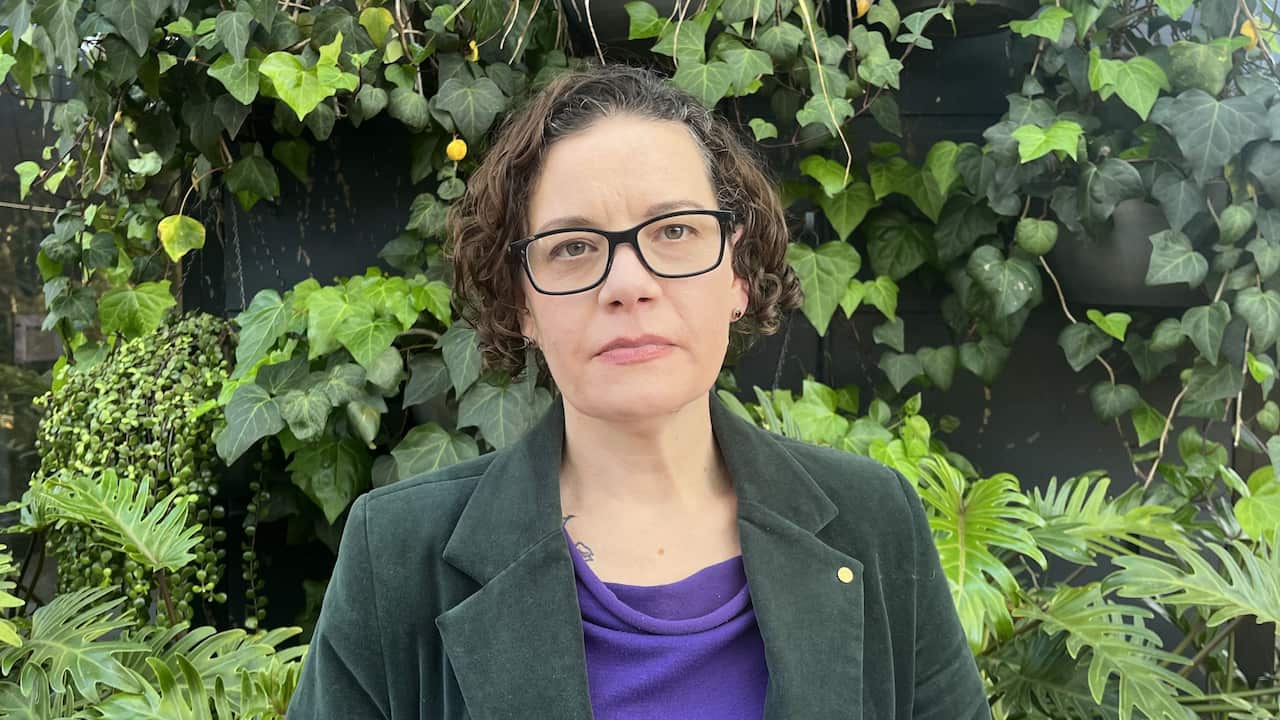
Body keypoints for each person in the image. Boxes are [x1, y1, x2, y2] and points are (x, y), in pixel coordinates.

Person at [286, 62, 990, 720]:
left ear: (738, 274)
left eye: (675, 230)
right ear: (521, 302)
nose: (628, 284)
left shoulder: (874, 521)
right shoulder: (398, 554)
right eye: (572, 246)